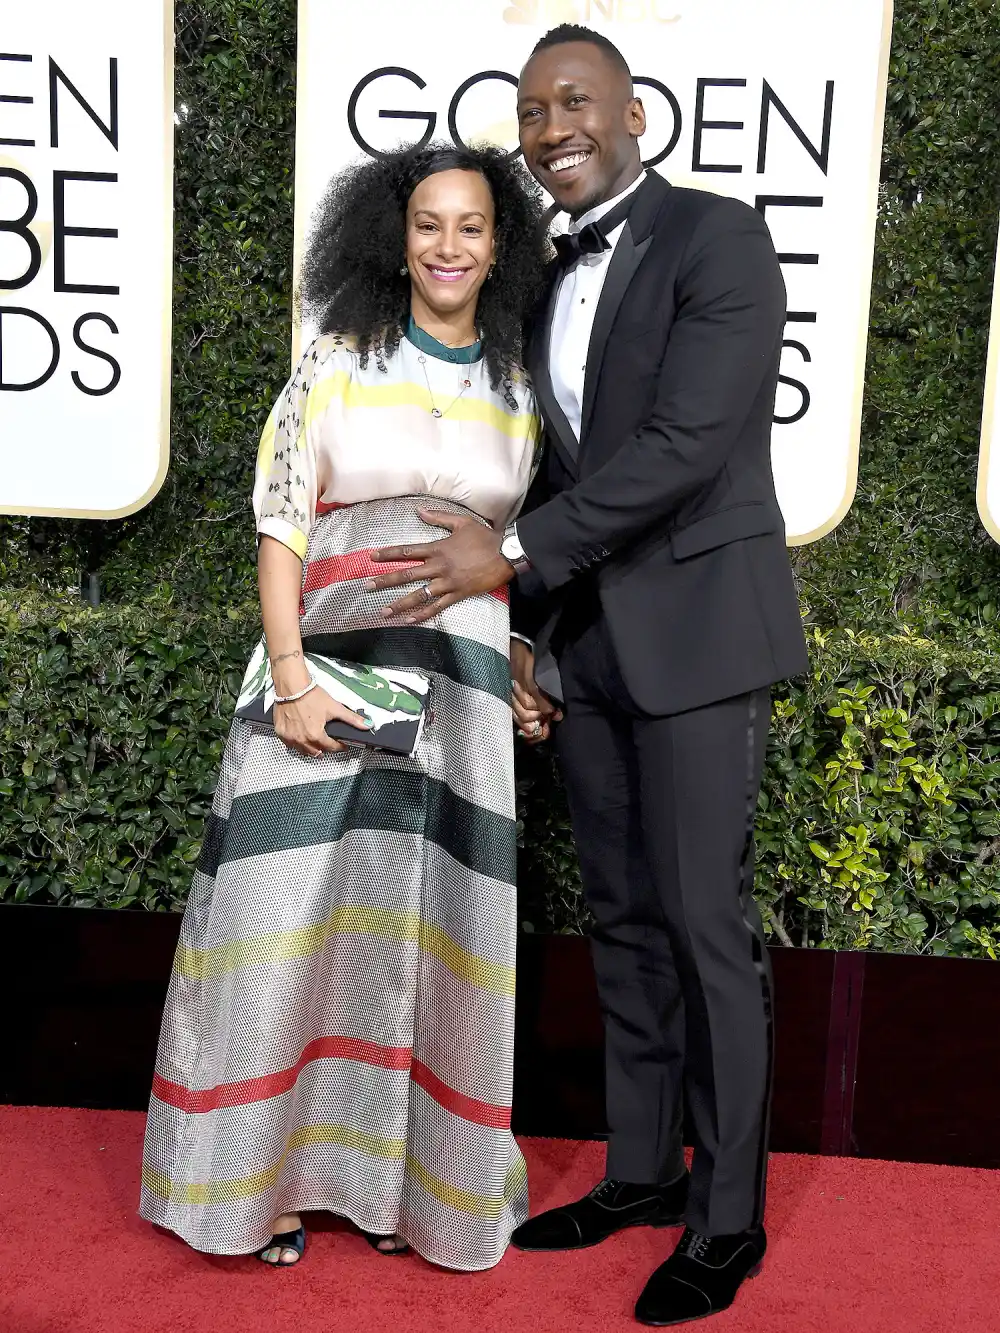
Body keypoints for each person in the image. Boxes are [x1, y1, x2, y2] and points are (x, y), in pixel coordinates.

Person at [368, 25, 809, 1326]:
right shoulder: (541, 275)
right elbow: (558, 466)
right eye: (531, 108)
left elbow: (685, 444)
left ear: (633, 114)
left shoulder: (718, 238)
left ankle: (726, 1218)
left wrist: (500, 561)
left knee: (705, 931)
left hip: (700, 644)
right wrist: (529, 632)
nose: (552, 125)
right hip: (593, 647)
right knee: (621, 921)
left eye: (576, 100)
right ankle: (636, 1173)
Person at [139, 142, 547, 1274]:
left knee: (420, 939)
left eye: (470, 225)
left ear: (500, 244)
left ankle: (396, 1188)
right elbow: (283, 518)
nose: (448, 245)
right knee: (282, 925)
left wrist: (517, 660)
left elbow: (508, 552)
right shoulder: (334, 357)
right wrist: (291, 675)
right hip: (327, 674)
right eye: (428, 223)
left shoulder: (519, 386)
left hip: (458, 702)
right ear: (394, 234)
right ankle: (251, 1189)